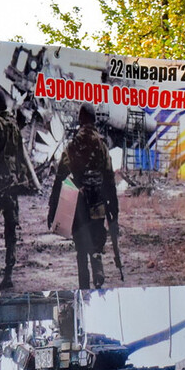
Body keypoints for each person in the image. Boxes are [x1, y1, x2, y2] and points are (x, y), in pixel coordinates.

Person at [47, 103, 118, 290]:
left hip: (79, 204)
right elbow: (109, 178)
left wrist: (52, 209)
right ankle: (97, 267)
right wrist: (114, 208)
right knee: (96, 241)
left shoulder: (72, 146)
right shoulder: (102, 145)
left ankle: (84, 287)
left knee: (81, 250)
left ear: (80, 120)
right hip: (98, 202)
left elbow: (59, 178)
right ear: (94, 120)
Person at [0, 88, 40, 291]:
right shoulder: (14, 125)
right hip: (12, 185)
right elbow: (21, 156)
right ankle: (8, 275)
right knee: (10, 230)